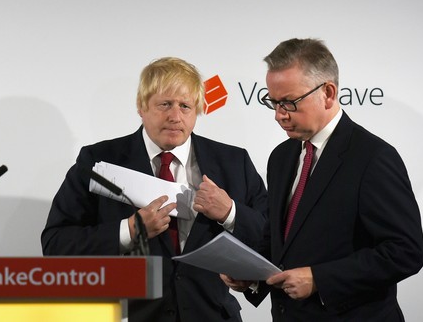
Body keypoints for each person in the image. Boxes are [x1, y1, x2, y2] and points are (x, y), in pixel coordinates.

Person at [41, 57, 268, 322]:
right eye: (165, 104)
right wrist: (130, 230)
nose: (175, 116)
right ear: (141, 106)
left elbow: (272, 238)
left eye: (185, 106)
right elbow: (56, 244)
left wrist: (230, 212)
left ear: (198, 111)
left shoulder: (233, 162)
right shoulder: (98, 161)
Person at [221, 38, 423, 321]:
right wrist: (251, 276)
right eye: (273, 103)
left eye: (289, 103)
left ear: (328, 93)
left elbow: (405, 252)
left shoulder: (373, 157)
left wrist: (320, 278)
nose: (279, 115)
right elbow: (280, 240)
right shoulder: (281, 156)